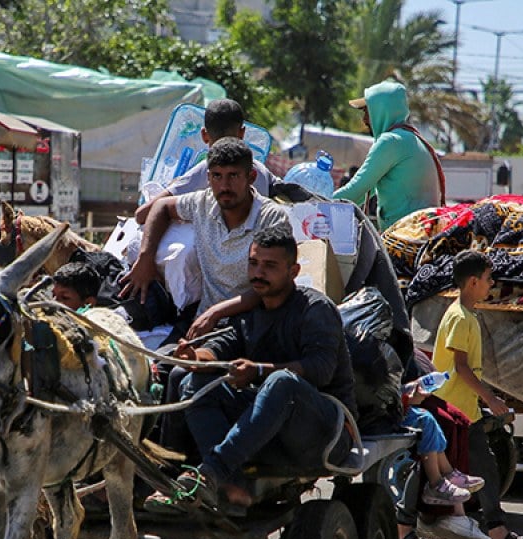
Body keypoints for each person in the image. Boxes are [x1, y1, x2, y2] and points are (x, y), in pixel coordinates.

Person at [172, 224, 356, 509]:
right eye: (254, 263)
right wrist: (195, 358)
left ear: (293, 272)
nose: (258, 273)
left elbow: (321, 370)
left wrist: (258, 370)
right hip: (265, 433)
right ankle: (232, 487)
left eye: (270, 266)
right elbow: (219, 350)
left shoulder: (315, 309)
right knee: (193, 384)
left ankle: (213, 472)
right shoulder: (251, 314)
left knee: (281, 383)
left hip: (325, 432)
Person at [430, 250, 523, 539]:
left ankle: (497, 530)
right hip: (452, 411)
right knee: (444, 472)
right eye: (489, 279)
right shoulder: (460, 318)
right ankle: (402, 525)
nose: (492, 285)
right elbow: (461, 367)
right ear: (473, 282)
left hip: (464, 411)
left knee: (479, 470)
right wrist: (490, 398)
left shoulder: (466, 315)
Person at [122, 137, 289, 315]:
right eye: (217, 176)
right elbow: (160, 206)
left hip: (252, 320)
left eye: (233, 175)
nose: (225, 186)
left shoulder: (271, 218)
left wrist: (216, 313)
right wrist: (146, 258)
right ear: (208, 178)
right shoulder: (203, 203)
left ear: (251, 177)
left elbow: (273, 283)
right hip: (206, 320)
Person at [134, 98, 274, 224]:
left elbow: (143, 214)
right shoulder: (261, 170)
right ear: (242, 133)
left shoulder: (207, 169)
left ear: (204, 135)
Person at [333, 80, 444, 231]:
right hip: (422, 232)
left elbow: (356, 188)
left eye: (367, 111)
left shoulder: (390, 141)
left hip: (406, 236)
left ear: (381, 111)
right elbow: (362, 193)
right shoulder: (410, 138)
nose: (364, 120)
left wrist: (317, 205)